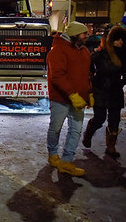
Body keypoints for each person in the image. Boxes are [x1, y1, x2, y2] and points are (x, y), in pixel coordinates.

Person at [46, 21, 92, 176]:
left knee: (76, 130)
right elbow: (57, 77)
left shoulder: (84, 51)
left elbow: (86, 75)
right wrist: (72, 95)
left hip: (78, 99)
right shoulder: (58, 51)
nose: (87, 36)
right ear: (75, 35)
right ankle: (53, 155)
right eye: (84, 33)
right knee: (56, 128)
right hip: (61, 99)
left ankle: (67, 161)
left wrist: (89, 92)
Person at [82, 25, 126, 158]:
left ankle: (111, 147)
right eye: (117, 39)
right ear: (110, 39)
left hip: (115, 91)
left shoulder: (123, 55)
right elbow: (87, 69)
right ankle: (89, 132)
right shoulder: (100, 55)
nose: (121, 42)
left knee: (115, 120)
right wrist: (92, 84)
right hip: (100, 90)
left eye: (122, 39)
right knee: (99, 118)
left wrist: (122, 82)